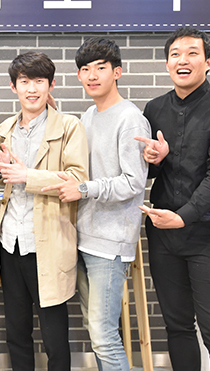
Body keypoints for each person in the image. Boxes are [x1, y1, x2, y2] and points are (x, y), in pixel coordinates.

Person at [135, 27, 210, 371]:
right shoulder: (154, 108)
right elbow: (148, 173)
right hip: (163, 235)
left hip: (207, 234)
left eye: (192, 53)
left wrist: (183, 216)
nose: (182, 60)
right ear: (167, 63)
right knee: (177, 326)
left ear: (208, 62)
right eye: (175, 54)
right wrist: (154, 160)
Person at [42, 38, 150, 371]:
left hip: (110, 242)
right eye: (85, 69)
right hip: (84, 238)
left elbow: (133, 183)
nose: (92, 75)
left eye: (101, 68)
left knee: (103, 336)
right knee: (97, 331)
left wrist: (84, 189)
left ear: (117, 72)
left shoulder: (130, 118)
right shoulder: (89, 115)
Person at [0, 52, 88, 371]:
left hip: (47, 242)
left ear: (51, 85)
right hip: (10, 242)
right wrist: (3, 171)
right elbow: (5, 178)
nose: (32, 89)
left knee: (54, 336)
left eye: (39, 81)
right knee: (16, 332)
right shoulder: (5, 128)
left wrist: (26, 175)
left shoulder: (69, 126)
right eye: (24, 82)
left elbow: (77, 180)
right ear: (13, 86)